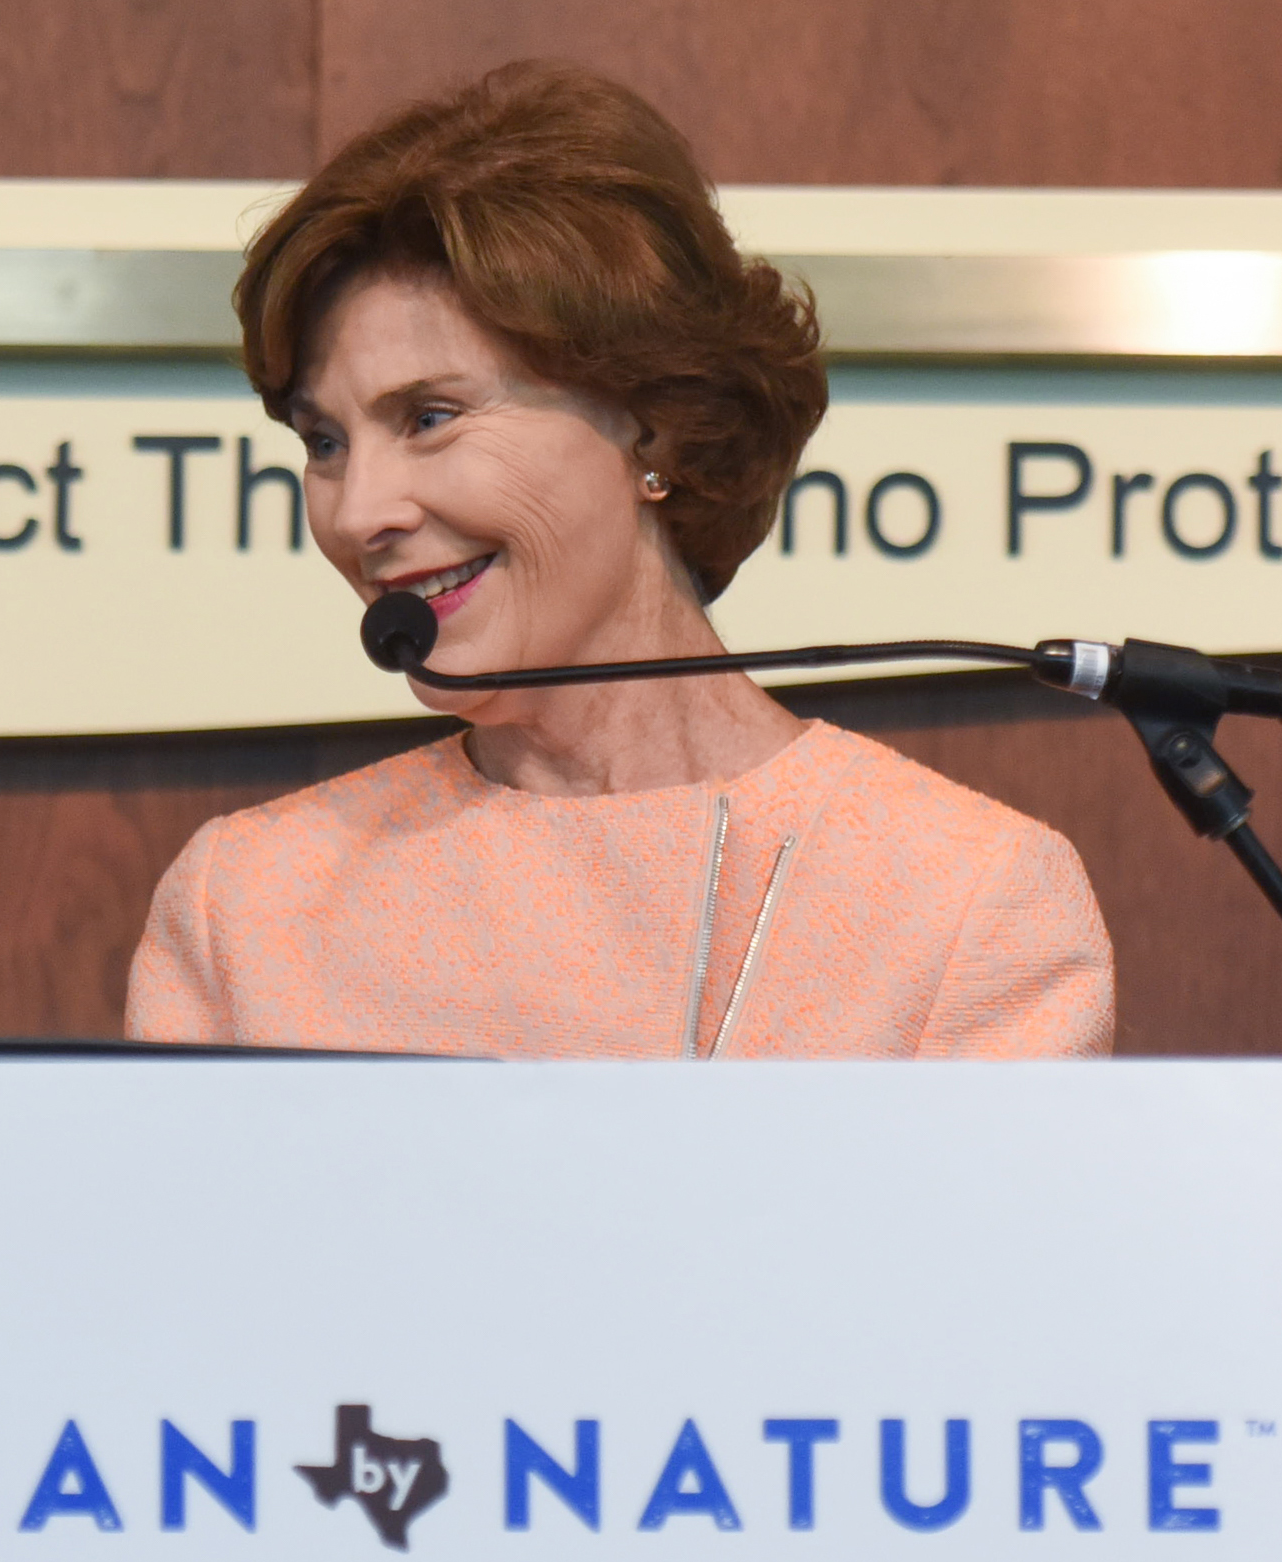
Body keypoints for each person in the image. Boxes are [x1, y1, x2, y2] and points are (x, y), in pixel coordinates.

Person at [125, 61, 1112, 1059]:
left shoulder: (965, 901)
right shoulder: (246, 909)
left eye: (430, 417)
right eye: (324, 442)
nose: (359, 512)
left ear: (651, 426)